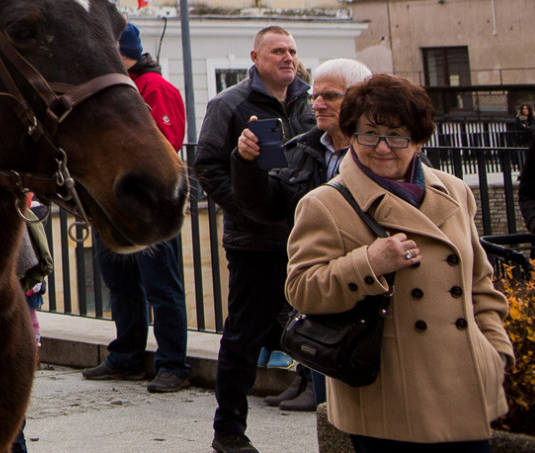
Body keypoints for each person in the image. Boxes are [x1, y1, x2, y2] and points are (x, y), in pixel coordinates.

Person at [286, 75, 512, 451]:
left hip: (465, 387)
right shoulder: (325, 203)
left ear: (419, 139)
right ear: (351, 134)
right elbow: (302, 291)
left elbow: (480, 284)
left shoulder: (454, 191)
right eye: (368, 133)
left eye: (396, 135)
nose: (382, 148)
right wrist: (368, 263)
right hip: (387, 395)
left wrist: (495, 352)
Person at [194, 25, 314, 453]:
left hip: (309, 238)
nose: (288, 57)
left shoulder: (309, 101)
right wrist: (245, 208)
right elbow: (206, 165)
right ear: (256, 56)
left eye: (293, 51)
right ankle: (228, 430)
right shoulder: (229, 104)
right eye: (278, 50)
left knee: (320, 325)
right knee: (244, 337)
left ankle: (315, 396)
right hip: (255, 242)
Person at [230, 55, 372, 413]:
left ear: (359, 97)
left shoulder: (383, 151)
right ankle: (309, 382)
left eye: (330, 96)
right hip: (320, 279)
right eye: (315, 96)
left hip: (369, 282)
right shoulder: (305, 149)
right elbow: (266, 207)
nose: (318, 103)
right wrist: (246, 165)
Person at [82, 25, 190, 393]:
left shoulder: (155, 89)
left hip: (146, 206)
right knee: (121, 285)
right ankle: (126, 355)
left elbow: (168, 143)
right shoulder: (120, 87)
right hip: (112, 203)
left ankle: (173, 363)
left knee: (162, 287)